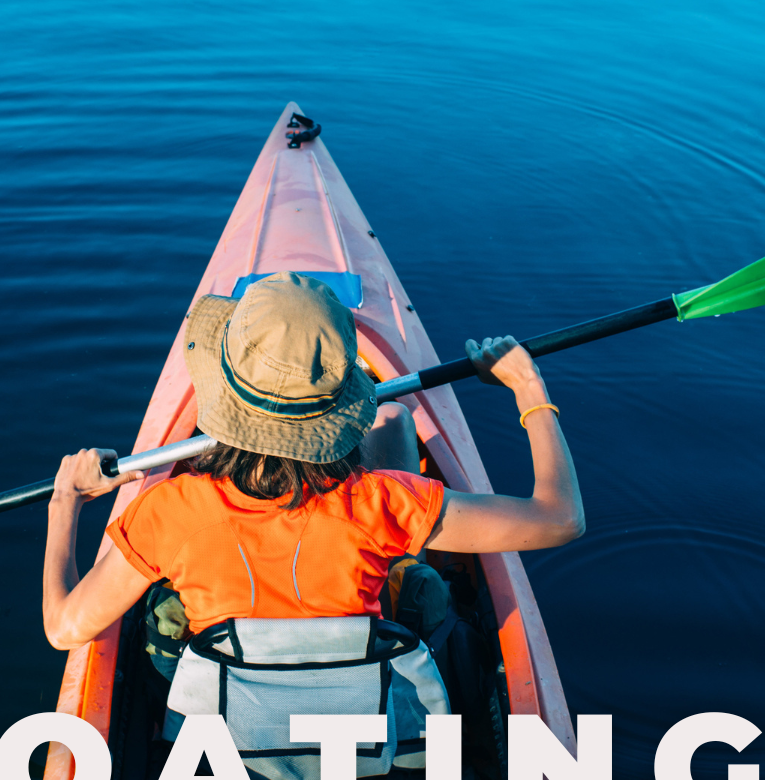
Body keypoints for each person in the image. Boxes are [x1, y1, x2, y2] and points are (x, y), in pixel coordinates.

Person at [41, 271, 584, 656]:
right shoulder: (387, 501)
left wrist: (65, 502)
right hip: (361, 725)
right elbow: (560, 520)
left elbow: (64, 629)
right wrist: (526, 387)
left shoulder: (167, 512)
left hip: (234, 732)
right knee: (393, 422)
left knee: (163, 609)